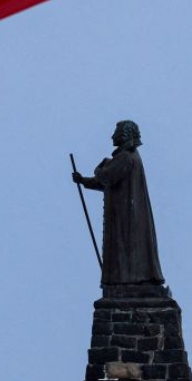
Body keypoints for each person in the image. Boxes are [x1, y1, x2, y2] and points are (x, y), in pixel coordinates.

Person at [71, 120, 164, 287]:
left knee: (126, 247)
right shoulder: (129, 156)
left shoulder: (126, 157)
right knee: (126, 248)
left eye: (116, 132)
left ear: (125, 135)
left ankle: (128, 280)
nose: (112, 136)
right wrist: (84, 180)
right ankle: (127, 279)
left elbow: (106, 176)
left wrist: (100, 167)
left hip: (126, 215)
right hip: (126, 213)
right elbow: (108, 181)